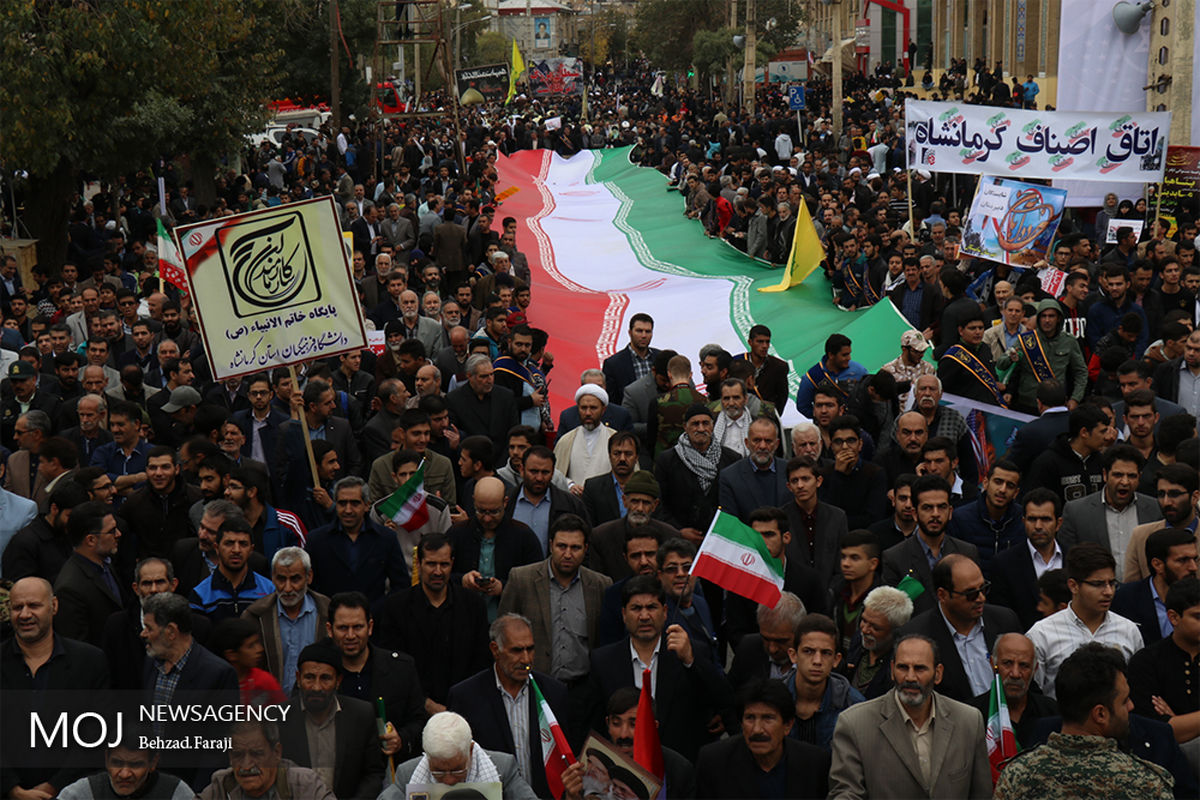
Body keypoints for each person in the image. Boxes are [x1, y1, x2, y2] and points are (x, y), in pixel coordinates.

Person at [994, 643, 1174, 800]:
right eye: (1124, 701)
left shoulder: (1017, 775)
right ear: (1100, 714)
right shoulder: (1146, 784)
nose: (1131, 706)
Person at [584, 575, 732, 761]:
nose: (644, 616)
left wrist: (690, 660)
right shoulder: (603, 660)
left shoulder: (691, 651)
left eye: (651, 607)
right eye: (636, 608)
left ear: (665, 612)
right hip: (625, 766)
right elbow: (593, 724)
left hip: (679, 764)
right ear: (624, 614)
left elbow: (722, 699)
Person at [828, 634, 992, 799]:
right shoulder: (855, 724)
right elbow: (846, 792)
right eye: (903, 667)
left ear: (938, 673)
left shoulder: (968, 721)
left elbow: (981, 793)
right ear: (892, 670)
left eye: (920, 668)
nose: (910, 677)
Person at [1, 577, 111, 799]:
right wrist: (12, 789)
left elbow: (96, 733)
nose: (24, 614)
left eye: (34, 605)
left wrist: (55, 786)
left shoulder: (89, 662)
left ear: (54, 606)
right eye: (17, 607)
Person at [446, 613, 571, 797]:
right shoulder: (465, 697)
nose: (526, 659)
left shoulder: (554, 693)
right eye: (517, 650)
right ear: (495, 649)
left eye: (530, 649)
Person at [375, 533, 492, 715]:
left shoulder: (473, 605)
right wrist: (426, 704)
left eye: (444, 564)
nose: (438, 571)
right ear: (419, 564)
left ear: (452, 563)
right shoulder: (397, 607)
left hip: (464, 710)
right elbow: (393, 666)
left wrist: (459, 706)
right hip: (412, 712)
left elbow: (482, 661)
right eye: (431, 564)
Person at [498, 515, 611, 684]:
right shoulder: (522, 579)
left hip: (583, 686)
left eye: (575, 548)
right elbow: (502, 631)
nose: (568, 554)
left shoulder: (600, 585)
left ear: (585, 548)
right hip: (533, 683)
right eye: (561, 546)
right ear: (551, 545)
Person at [897, 554, 1021, 703]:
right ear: (942, 595)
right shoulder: (916, 636)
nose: (981, 598)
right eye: (971, 594)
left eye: (983, 588)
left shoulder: (1005, 621)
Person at [1027, 543, 1145, 699]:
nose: (1108, 592)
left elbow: (1137, 689)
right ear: (1073, 586)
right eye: (1098, 584)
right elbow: (1034, 696)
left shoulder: (1129, 630)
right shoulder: (1042, 634)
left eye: (1112, 583)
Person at [381, 712, 583, 800]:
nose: (449, 780)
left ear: (470, 750)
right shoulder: (408, 773)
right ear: (427, 757)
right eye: (439, 772)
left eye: (457, 770)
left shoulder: (503, 768)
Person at [277, 642, 386, 799]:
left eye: (325, 678)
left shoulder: (361, 715)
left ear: (338, 681)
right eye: (309, 677)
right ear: (298, 678)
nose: (316, 687)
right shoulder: (278, 717)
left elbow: (373, 773)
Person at [696, 679, 831, 800]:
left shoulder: (815, 764)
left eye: (768, 718)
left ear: (788, 725)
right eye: (750, 718)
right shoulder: (714, 761)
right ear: (741, 723)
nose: (757, 730)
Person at [881, 475, 980, 613]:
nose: (935, 514)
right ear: (915, 513)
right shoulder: (895, 558)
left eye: (941, 507)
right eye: (927, 508)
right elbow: (892, 613)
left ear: (950, 512)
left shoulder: (967, 552)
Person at [1128, 577, 1200, 764]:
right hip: (1162, 763)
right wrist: (1173, 727)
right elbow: (1154, 731)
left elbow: (1171, 728)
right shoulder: (1147, 662)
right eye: (1198, 617)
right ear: (1174, 617)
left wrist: (1179, 721)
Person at [241, 546, 330, 695]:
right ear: (272, 578)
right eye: (281, 579)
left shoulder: (327, 612)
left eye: (295, 579)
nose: (287, 588)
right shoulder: (256, 616)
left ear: (309, 577)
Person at [306, 477, 407, 602]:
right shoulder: (316, 541)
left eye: (355, 503)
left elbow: (401, 585)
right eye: (342, 503)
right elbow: (309, 586)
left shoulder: (386, 539)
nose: (348, 510)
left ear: (366, 505)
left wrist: (380, 609)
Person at [1058, 444, 1161, 566]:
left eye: (1131, 476)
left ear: (1140, 477)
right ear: (1105, 475)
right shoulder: (1076, 512)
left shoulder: (1155, 510)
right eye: (1118, 475)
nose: (1125, 482)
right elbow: (1069, 562)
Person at [654, 404, 740, 543]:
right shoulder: (667, 460)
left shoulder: (731, 459)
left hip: (721, 538)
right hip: (678, 540)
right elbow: (659, 503)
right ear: (685, 427)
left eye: (705, 423)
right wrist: (678, 531)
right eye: (695, 424)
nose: (701, 429)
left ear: (712, 426)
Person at [52, 500, 127, 646]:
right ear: (91, 540)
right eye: (112, 531)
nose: (119, 534)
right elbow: (77, 646)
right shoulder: (69, 589)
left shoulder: (105, 563)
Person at [785, 614, 865, 750]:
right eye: (808, 651)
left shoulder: (854, 706)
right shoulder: (772, 699)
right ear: (793, 655)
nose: (817, 661)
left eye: (826, 653)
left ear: (836, 660)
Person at [199, 720, 334, 800]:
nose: (246, 766)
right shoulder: (222, 784)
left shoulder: (304, 785)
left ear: (276, 753)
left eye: (256, 754)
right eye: (238, 755)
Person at [990, 488, 1066, 629]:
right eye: (1032, 519)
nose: (1038, 526)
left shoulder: (1074, 559)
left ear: (1058, 523)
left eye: (1045, 519)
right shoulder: (1004, 564)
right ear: (1024, 521)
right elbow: (1002, 617)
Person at [602, 687, 696, 799]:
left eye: (634, 725)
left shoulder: (678, 770)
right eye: (616, 723)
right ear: (608, 723)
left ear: (653, 727)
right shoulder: (590, 764)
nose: (624, 734)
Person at [1111, 527, 1198, 647]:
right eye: (1183, 560)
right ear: (1157, 564)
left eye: (1195, 559)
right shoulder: (1125, 599)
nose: (1193, 567)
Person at [970, 633, 1058, 750]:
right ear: (993, 664)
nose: (1015, 674)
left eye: (1024, 665)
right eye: (1007, 663)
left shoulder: (1051, 711)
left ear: (1035, 669)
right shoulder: (972, 716)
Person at [779, 456, 849, 603]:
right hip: (791, 600)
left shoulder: (837, 517)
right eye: (795, 481)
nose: (800, 485)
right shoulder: (781, 518)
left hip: (831, 598)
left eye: (805, 479)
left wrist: (830, 594)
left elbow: (842, 562)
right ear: (789, 486)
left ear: (818, 481)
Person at [188, 516, 275, 623]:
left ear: (251, 550)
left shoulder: (269, 591)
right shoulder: (200, 595)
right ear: (217, 548)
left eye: (243, 544)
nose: (236, 550)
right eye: (229, 543)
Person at [945, 459, 1023, 575]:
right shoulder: (960, 518)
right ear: (986, 483)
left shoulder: (1023, 520)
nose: (1002, 490)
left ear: (1016, 493)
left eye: (1010, 486)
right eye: (998, 482)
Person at [1125, 463, 1200, 581]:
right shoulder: (1141, 536)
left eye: (1174, 494)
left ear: (1195, 497)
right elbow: (1132, 588)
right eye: (1161, 494)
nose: (1166, 502)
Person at [1024, 403, 1109, 505]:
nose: (1106, 437)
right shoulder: (1047, 463)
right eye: (1102, 432)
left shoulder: (1102, 461)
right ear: (1084, 432)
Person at [57, 737, 194, 800]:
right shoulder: (85, 792)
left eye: (136, 765)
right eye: (117, 763)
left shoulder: (175, 792)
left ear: (153, 763)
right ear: (106, 759)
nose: (124, 774)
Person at [816, 415, 887, 530]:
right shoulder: (823, 475)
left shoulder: (875, 473)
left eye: (851, 441)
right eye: (838, 442)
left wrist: (841, 523)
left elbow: (874, 518)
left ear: (860, 444)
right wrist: (838, 475)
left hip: (866, 536)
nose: (845, 447)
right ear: (831, 446)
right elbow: (827, 516)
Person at [717, 416, 789, 524]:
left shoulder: (790, 471)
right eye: (757, 440)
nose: (762, 446)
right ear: (747, 443)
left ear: (777, 444)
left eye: (768, 441)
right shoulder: (730, 477)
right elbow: (731, 522)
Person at [728, 592, 808, 688]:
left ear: (800, 633)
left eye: (781, 641)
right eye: (766, 639)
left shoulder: (816, 659)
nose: (772, 649)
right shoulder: (748, 649)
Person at [795, 334, 868, 418]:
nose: (849, 358)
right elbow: (803, 407)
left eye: (849, 354)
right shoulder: (811, 378)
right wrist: (825, 416)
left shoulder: (859, 370)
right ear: (831, 355)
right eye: (844, 355)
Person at [602, 313, 657, 407]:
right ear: (630, 332)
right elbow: (611, 401)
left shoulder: (661, 358)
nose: (644, 335)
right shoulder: (613, 364)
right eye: (639, 331)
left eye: (648, 331)